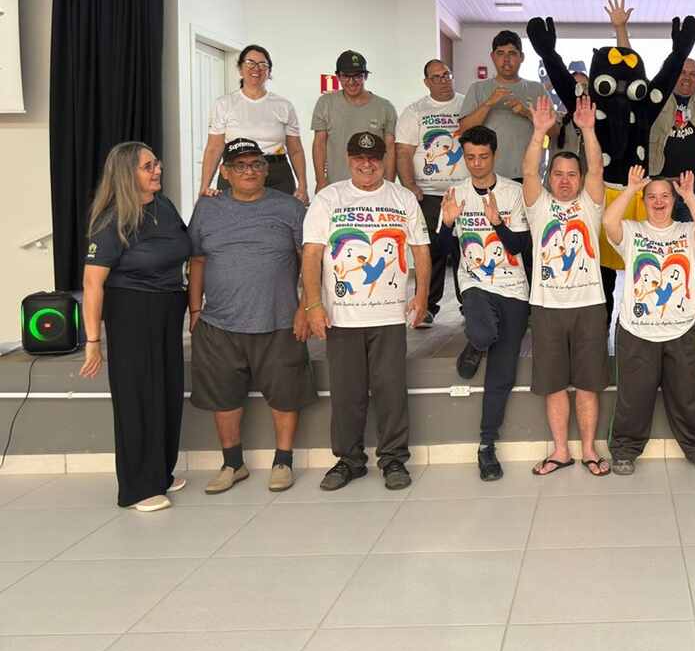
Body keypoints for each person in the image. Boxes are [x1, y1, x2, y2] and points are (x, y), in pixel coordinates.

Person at [302, 132, 429, 492]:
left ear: (384, 159)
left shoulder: (402, 198)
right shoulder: (329, 199)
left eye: (373, 158)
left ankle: (393, 459)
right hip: (342, 317)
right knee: (347, 393)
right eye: (359, 157)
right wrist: (313, 304)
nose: (367, 164)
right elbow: (311, 254)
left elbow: (421, 249)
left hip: (389, 316)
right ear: (348, 159)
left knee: (391, 391)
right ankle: (349, 460)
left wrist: (421, 295)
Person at [188, 139, 313, 494]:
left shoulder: (290, 207)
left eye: (256, 164)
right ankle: (233, 464)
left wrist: (306, 307)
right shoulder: (207, 208)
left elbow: (310, 259)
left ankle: (283, 461)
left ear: (266, 169)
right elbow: (197, 260)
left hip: (280, 321)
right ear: (225, 173)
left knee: (286, 394)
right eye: (240, 165)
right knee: (224, 397)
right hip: (220, 323)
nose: (249, 171)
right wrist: (194, 309)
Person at [80, 142, 192, 512]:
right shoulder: (112, 220)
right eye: (148, 166)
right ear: (128, 174)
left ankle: (159, 473)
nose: (157, 170)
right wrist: (93, 341)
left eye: (156, 163)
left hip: (167, 309)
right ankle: (138, 487)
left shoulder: (164, 206)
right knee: (138, 397)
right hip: (132, 311)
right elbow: (92, 283)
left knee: (166, 391)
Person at [605, 165, 695, 475]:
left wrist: (690, 196)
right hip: (637, 331)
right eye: (652, 196)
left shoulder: (686, 231)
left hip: (682, 330)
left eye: (665, 196)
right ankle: (624, 450)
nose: (658, 201)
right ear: (644, 200)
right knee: (632, 398)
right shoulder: (632, 231)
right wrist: (630, 189)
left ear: (673, 200)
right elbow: (608, 221)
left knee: (687, 397)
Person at [522, 96, 611, 477]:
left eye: (571, 174)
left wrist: (588, 129)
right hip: (547, 308)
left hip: (589, 306)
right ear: (550, 178)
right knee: (553, 384)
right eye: (557, 174)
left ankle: (589, 450)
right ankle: (560, 451)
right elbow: (528, 171)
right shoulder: (538, 206)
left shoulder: (590, 205)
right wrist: (539, 132)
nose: (564, 180)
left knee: (589, 384)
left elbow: (597, 169)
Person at [437, 124, 532, 481]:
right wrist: (447, 225)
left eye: (483, 157)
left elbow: (519, 247)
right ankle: (477, 343)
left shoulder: (513, 192)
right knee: (483, 330)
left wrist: (498, 224)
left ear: (494, 155)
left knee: (502, 373)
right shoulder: (455, 193)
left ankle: (486, 445)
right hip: (475, 282)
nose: (477, 164)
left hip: (514, 288)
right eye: (470, 157)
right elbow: (442, 252)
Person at [610, 0, 695, 221]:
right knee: (655, 240)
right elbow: (631, 68)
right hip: (659, 185)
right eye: (681, 72)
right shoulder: (655, 97)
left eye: (693, 74)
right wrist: (620, 28)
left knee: (694, 240)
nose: (687, 78)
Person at [396, 58, 467, 327]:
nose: (443, 80)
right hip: (428, 194)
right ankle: (427, 306)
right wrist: (410, 186)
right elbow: (403, 152)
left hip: (463, 194)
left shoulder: (466, 105)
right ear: (426, 82)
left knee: (465, 249)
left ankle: (469, 305)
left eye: (446, 75)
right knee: (431, 251)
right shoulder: (415, 111)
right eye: (436, 77)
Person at [199, 44, 309, 201]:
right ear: (240, 69)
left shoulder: (284, 106)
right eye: (250, 63)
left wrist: (303, 186)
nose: (256, 68)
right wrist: (204, 187)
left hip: (276, 173)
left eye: (263, 64)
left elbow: (296, 150)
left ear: (269, 72)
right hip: (237, 172)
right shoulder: (224, 104)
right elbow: (214, 148)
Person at [458, 30, 545, 181]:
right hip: (488, 175)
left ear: (521, 57)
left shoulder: (536, 89)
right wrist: (488, 104)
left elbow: (554, 132)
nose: (506, 59)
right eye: (500, 53)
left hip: (528, 174)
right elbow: (464, 129)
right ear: (492, 56)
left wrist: (526, 112)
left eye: (512, 53)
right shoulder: (477, 88)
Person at [311, 50, 397, 189]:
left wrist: (389, 185)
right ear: (338, 76)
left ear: (365, 76)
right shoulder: (325, 103)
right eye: (346, 76)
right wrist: (320, 181)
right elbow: (319, 145)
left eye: (357, 76)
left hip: (373, 187)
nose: (351, 82)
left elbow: (390, 148)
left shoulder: (385, 107)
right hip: (336, 186)